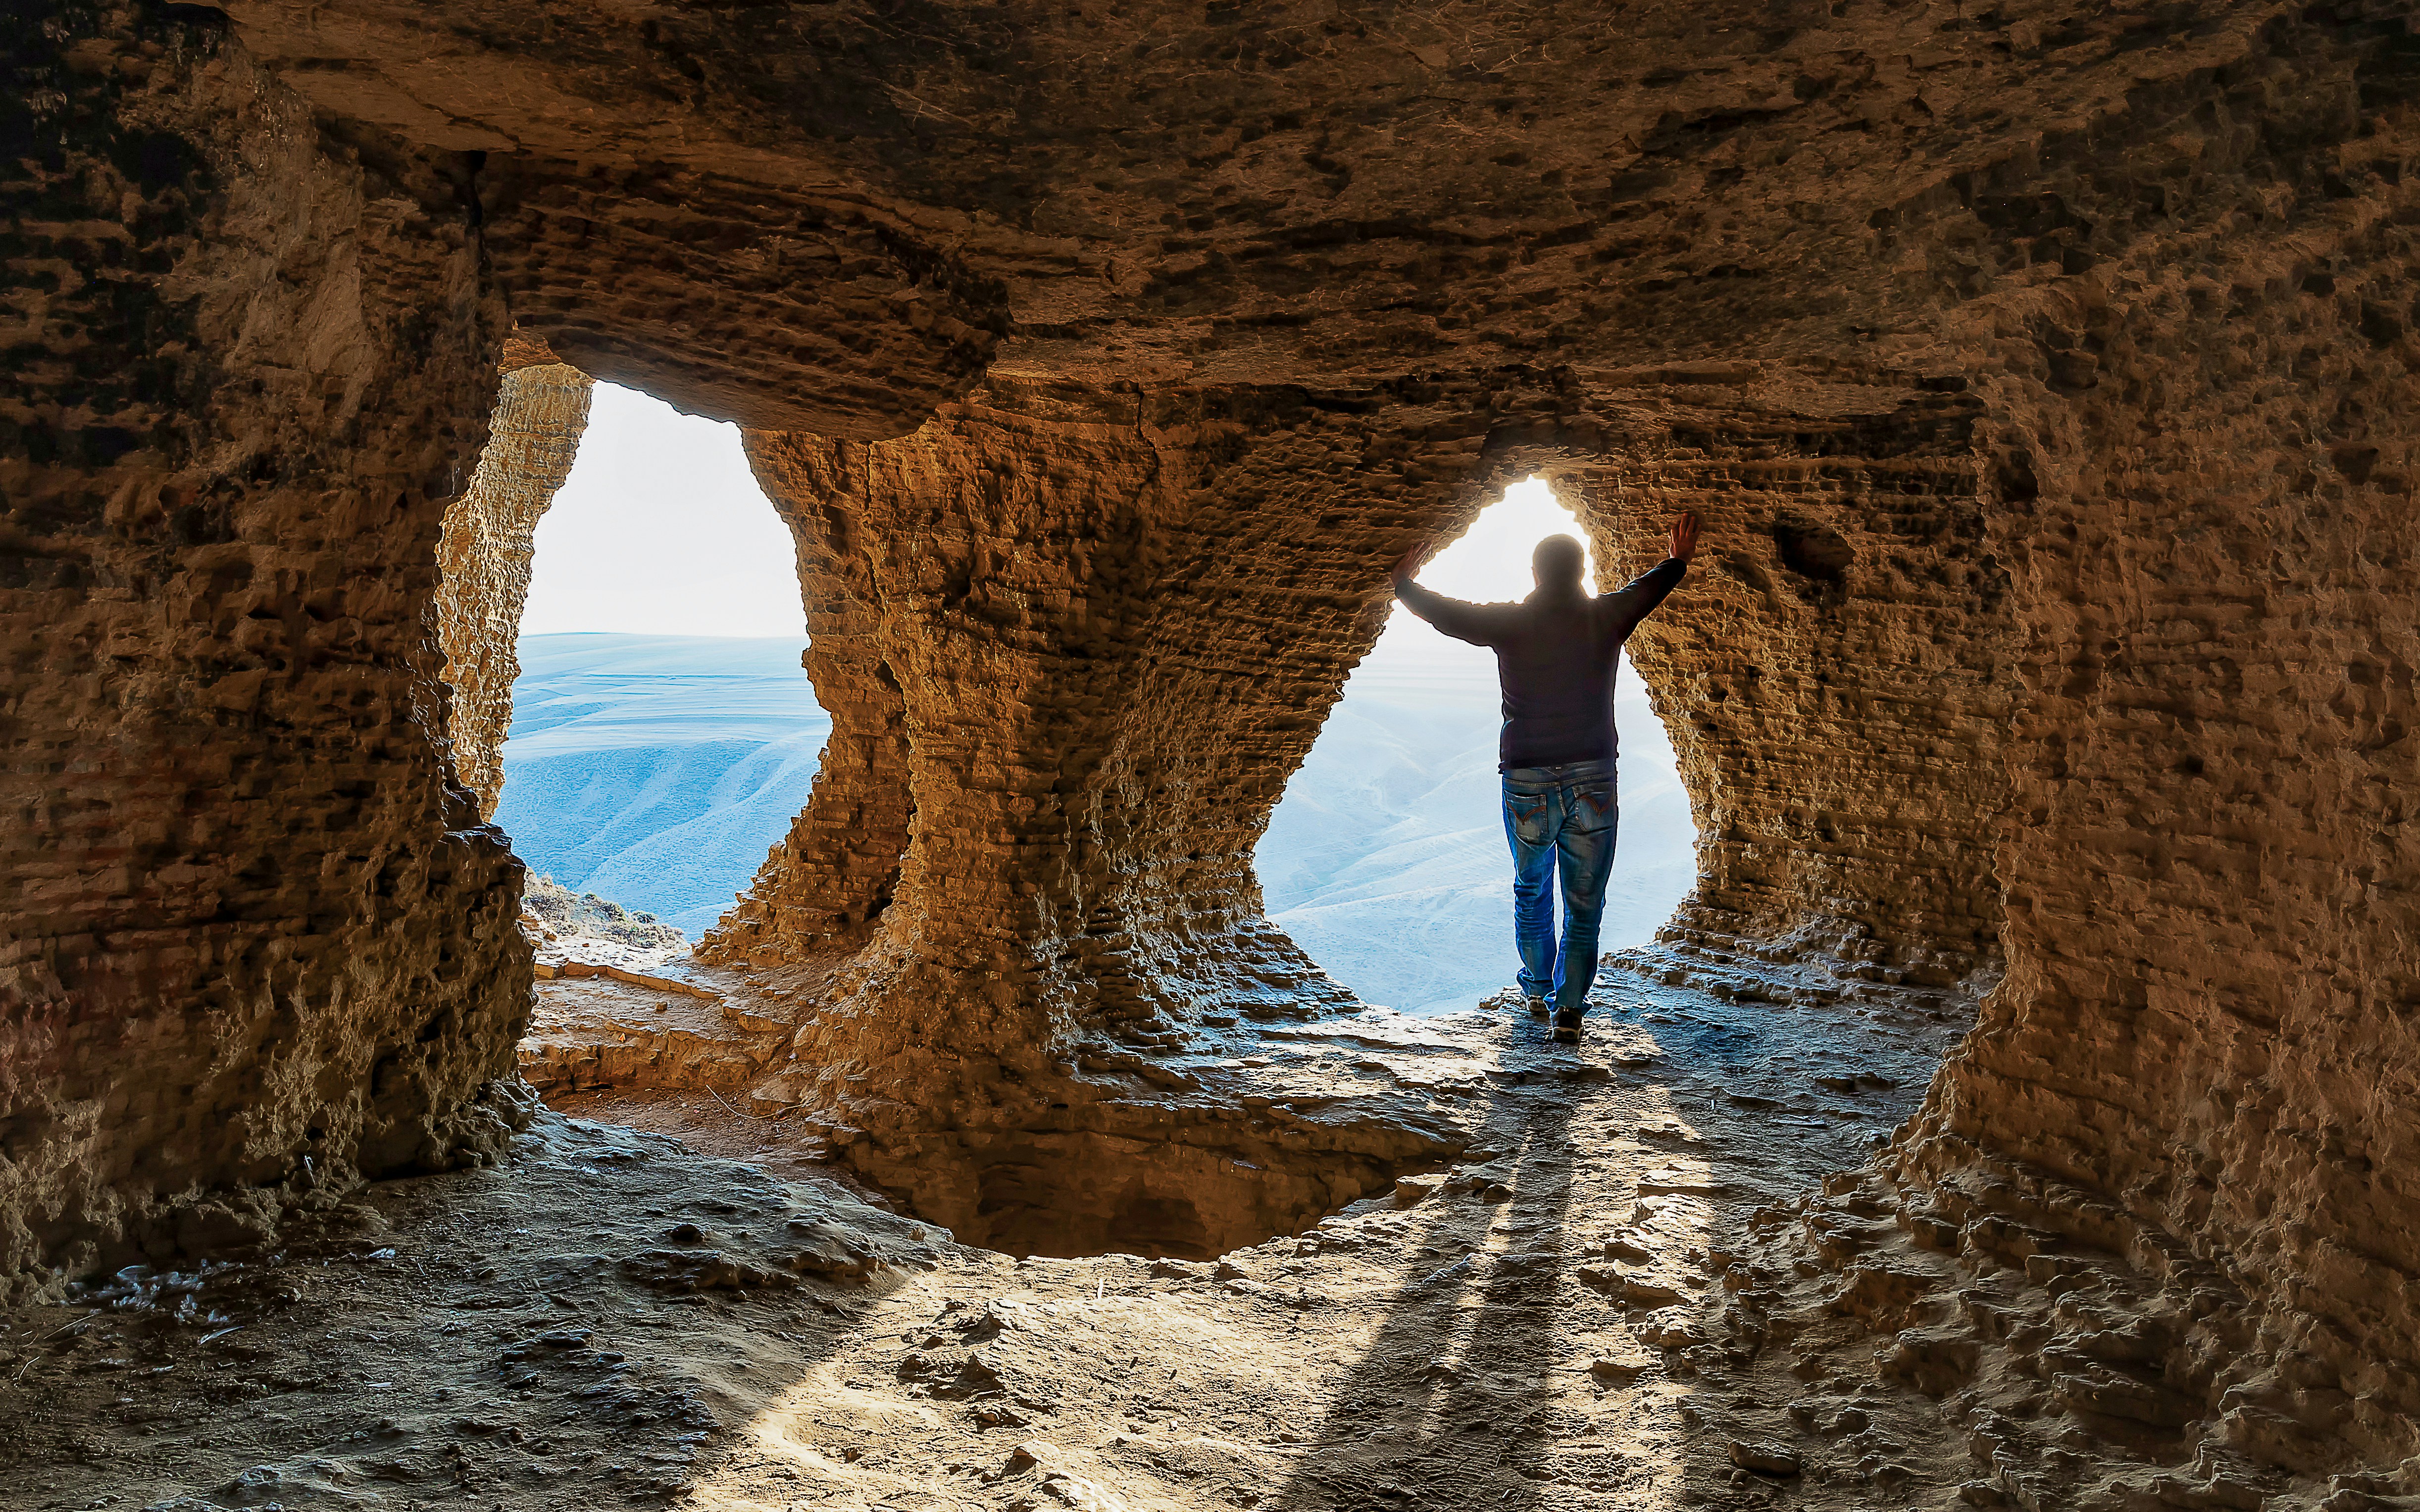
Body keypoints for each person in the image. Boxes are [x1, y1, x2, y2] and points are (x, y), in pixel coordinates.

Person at [1391, 512, 1699, 1045]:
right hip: (1594, 776)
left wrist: (1404, 584)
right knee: (1585, 901)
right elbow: (1646, 590)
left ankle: (1536, 991)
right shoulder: (1606, 616)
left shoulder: (1510, 622)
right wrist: (1677, 559)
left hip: (1526, 778)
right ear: (1581, 572)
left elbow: (1447, 614)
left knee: (1530, 889)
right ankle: (1570, 1010)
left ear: (1534, 574)